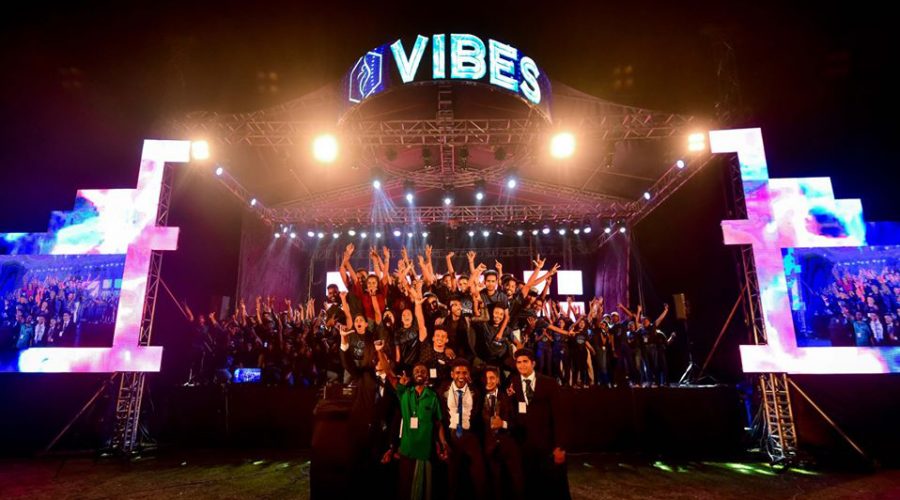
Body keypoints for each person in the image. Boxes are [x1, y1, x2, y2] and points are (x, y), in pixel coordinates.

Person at [508, 348, 569, 500]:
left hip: (547, 446)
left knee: (553, 487)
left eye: (525, 362)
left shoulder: (549, 383)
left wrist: (560, 446)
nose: (522, 365)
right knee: (530, 487)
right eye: (519, 362)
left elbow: (559, 416)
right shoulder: (513, 383)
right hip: (525, 447)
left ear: (533, 363)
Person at [385, 361, 448, 500]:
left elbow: (438, 424)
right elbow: (389, 375)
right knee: (405, 489)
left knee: (423, 492)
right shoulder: (404, 393)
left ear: (427, 376)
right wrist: (379, 351)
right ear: (412, 375)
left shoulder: (432, 396)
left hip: (425, 453)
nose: (419, 373)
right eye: (416, 371)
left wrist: (444, 443)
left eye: (423, 371)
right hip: (406, 450)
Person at [438, 358, 487, 499]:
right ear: (452, 374)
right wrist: (443, 442)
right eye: (458, 372)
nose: (461, 376)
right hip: (451, 436)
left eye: (464, 373)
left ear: (469, 374)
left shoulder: (476, 391)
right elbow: (439, 418)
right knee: (452, 477)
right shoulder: (442, 390)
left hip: (470, 436)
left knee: (479, 475)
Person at [481, 364, 524, 500]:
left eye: (492, 378)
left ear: (498, 380)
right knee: (494, 485)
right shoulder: (477, 398)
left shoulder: (508, 398)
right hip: (488, 448)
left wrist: (503, 424)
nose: (489, 381)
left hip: (508, 447)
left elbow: (517, 422)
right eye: (486, 378)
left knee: (514, 485)